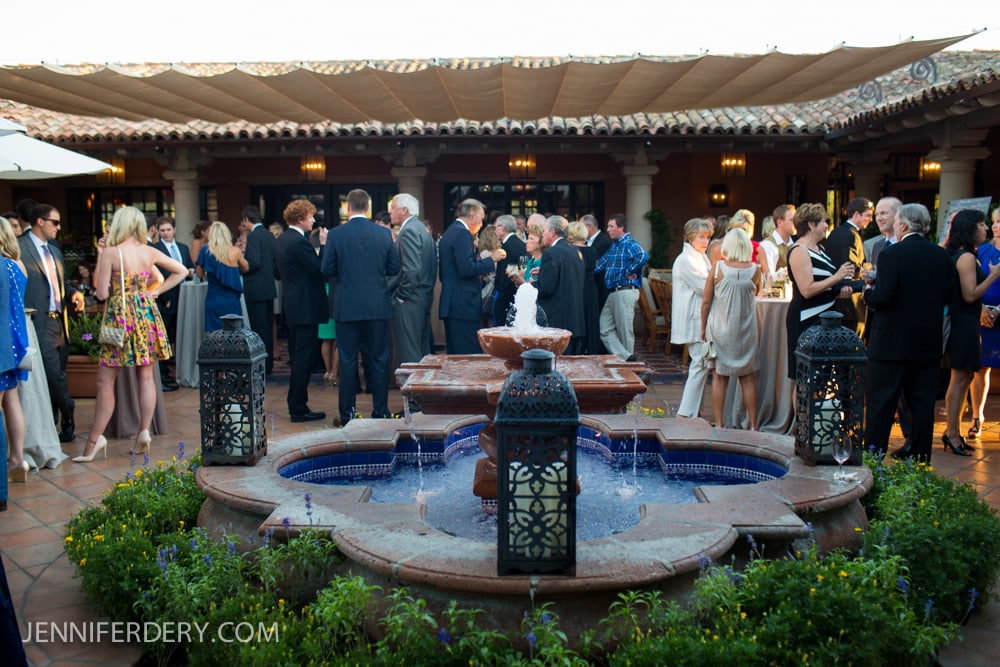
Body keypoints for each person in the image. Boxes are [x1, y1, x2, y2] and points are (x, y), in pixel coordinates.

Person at [74, 206, 186, 462]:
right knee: (145, 377)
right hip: (145, 315)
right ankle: (143, 433)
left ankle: (94, 440)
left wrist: (101, 255)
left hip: (120, 317)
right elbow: (180, 270)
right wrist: (155, 292)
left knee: (105, 381)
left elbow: (101, 293)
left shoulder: (112, 252)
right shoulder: (148, 250)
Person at [863, 203, 953, 462]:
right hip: (927, 344)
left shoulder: (892, 255)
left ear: (902, 226)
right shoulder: (941, 256)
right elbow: (949, 296)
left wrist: (868, 292)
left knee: (881, 406)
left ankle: (873, 462)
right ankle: (920, 463)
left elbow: (883, 297)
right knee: (923, 407)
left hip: (890, 344)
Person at [322, 189, 400, 425]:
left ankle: (347, 415)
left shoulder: (336, 235)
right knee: (378, 359)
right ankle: (380, 411)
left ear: (348, 207)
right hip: (377, 305)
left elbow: (326, 269)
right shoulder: (384, 234)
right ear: (367, 207)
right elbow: (394, 268)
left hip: (346, 306)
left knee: (347, 360)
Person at [17, 204, 84, 443]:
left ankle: (55, 419)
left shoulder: (54, 250)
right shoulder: (19, 247)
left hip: (60, 322)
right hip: (39, 322)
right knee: (55, 375)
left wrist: (73, 293)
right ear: (39, 222)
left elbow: (62, 282)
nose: (59, 227)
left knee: (57, 374)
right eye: (55, 222)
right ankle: (68, 415)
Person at [941, 209, 1000, 456]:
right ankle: (952, 433)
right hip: (962, 323)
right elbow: (970, 294)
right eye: (982, 224)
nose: (986, 228)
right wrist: (994, 274)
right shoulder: (965, 257)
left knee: (964, 378)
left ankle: (955, 432)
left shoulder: (967, 254)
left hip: (967, 322)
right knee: (959, 378)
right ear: (970, 228)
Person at [784, 204, 856, 380]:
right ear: (811, 224)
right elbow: (807, 290)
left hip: (824, 319)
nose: (827, 226)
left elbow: (823, 285)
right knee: (804, 377)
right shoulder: (799, 251)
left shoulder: (820, 249)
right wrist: (838, 276)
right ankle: (802, 409)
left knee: (821, 376)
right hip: (806, 319)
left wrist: (838, 292)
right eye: (825, 221)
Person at [701, 228, 762, 430]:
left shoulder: (717, 268)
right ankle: (754, 425)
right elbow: (758, 292)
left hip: (720, 329)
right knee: (747, 377)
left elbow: (706, 302)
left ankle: (719, 424)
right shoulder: (755, 270)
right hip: (746, 330)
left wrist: (702, 328)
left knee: (719, 376)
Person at [274, 200, 328, 423]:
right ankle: (298, 408)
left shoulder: (282, 240)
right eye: (310, 216)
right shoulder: (299, 242)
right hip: (306, 307)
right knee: (303, 359)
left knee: (298, 357)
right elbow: (319, 271)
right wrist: (323, 245)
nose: (314, 220)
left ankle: (296, 404)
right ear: (299, 219)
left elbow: (277, 273)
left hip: (293, 305)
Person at [438, 198, 504, 354]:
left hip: (454, 303)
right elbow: (466, 268)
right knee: (467, 354)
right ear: (472, 215)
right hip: (463, 304)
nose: (481, 223)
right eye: (481, 219)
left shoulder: (451, 231)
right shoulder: (462, 234)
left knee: (456, 354)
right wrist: (491, 259)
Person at [388, 194, 437, 371]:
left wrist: (400, 296)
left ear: (404, 210)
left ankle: (413, 397)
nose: (389, 211)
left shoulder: (409, 230)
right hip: (421, 297)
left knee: (409, 354)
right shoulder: (421, 229)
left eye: (392, 207)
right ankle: (419, 395)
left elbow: (411, 270)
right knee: (419, 351)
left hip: (410, 300)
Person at [671, 218, 714, 418]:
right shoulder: (686, 259)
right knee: (700, 362)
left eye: (707, 237)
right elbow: (703, 286)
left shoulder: (699, 256)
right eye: (701, 237)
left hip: (699, 317)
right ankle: (686, 412)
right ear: (690, 237)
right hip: (693, 318)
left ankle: (692, 411)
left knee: (701, 363)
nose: (705, 241)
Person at [0, 216, 30, 483]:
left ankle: (7, 463)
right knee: (12, 400)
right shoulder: (17, 266)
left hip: (1, 344)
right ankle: (18, 458)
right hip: (15, 340)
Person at [596, 214, 648, 361]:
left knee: (625, 331)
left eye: (611, 226)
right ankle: (627, 358)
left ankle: (630, 370)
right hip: (613, 292)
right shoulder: (615, 244)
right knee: (604, 329)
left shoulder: (628, 242)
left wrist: (630, 271)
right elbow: (600, 264)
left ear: (621, 227)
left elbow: (642, 256)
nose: (608, 229)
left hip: (624, 290)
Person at [151, 216, 193, 391]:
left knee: (179, 335)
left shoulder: (183, 247)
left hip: (184, 297)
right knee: (164, 337)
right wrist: (164, 298)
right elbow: (155, 276)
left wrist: (190, 272)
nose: (165, 233)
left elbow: (189, 267)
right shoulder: (154, 249)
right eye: (162, 231)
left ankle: (174, 372)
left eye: (168, 230)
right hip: (165, 299)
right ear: (158, 232)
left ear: (174, 229)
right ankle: (162, 376)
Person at [969, 207, 1000, 439]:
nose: (996, 226)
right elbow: (971, 281)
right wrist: (980, 309)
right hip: (981, 316)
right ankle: (976, 417)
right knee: (980, 369)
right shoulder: (983, 250)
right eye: (995, 221)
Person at [536, 216, 586, 352]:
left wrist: (525, 285)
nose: (542, 234)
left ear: (552, 232)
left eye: (544, 230)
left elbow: (546, 288)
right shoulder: (576, 251)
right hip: (576, 320)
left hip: (557, 323)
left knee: (556, 367)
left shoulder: (551, 253)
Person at [826, 197, 873, 336]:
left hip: (835, 301)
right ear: (857, 214)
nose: (870, 220)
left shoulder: (835, 233)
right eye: (868, 215)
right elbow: (849, 269)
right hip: (850, 304)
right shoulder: (852, 235)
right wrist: (867, 273)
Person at [239, 205, 278, 374]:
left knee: (258, 329)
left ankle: (262, 366)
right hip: (269, 287)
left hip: (255, 289)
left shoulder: (254, 236)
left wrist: (239, 267)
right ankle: (267, 365)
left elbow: (253, 262)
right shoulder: (269, 235)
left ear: (247, 219)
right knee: (267, 328)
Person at [196, 221, 247, 332]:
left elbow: (199, 274)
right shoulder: (235, 251)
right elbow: (246, 268)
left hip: (214, 298)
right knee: (234, 334)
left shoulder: (205, 250)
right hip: (231, 300)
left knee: (215, 336)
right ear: (226, 234)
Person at [568, 220, 600, 354]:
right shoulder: (592, 250)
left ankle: (577, 349)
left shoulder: (571, 251)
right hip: (590, 288)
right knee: (590, 317)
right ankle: (590, 348)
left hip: (576, 287)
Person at [491, 214, 526, 328]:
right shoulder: (521, 244)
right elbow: (523, 268)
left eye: (496, 227)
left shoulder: (507, 247)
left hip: (506, 297)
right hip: (519, 295)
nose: (495, 231)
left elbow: (505, 276)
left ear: (503, 228)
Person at [760, 204, 795, 278]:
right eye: (792, 220)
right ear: (779, 222)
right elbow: (767, 279)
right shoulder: (768, 245)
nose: (795, 223)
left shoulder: (793, 245)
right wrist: (786, 272)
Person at [477, 222, 502, 328]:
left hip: (484, 292)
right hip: (492, 291)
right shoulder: (499, 253)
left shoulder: (483, 254)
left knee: (484, 320)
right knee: (491, 319)